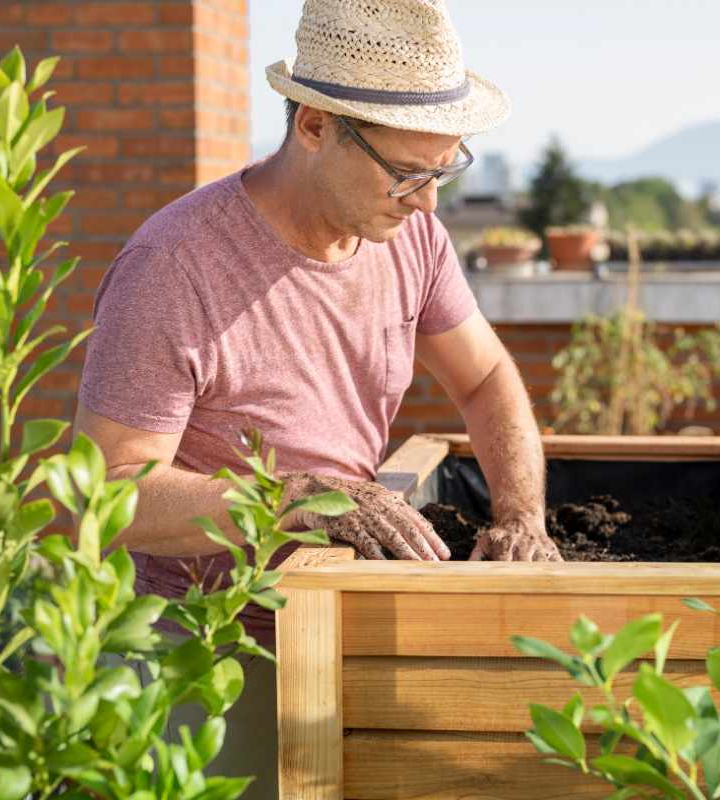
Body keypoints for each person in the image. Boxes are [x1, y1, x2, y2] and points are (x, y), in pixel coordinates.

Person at [75, 0, 562, 795]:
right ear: (311, 125)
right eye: (407, 171)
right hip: (208, 651)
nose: (428, 202)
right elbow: (107, 494)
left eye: (445, 169)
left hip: (341, 619)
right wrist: (294, 497)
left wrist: (520, 516)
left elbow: (485, 379)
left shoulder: (413, 239)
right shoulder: (174, 267)